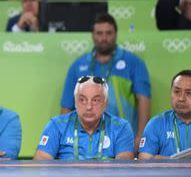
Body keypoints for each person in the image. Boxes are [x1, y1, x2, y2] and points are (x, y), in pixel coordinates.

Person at [60, 13, 151, 149]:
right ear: (92, 35)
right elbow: (67, 106)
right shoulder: (78, 65)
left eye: (108, 33)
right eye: (99, 33)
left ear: (115, 34)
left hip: (122, 140)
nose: (103, 38)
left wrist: (141, 137)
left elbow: (144, 100)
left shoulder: (134, 62)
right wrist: (64, 139)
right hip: (84, 142)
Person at [35, 76, 134, 160]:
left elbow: (124, 168)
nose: (89, 107)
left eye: (95, 100)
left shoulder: (121, 127)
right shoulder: (57, 125)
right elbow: (41, 164)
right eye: (82, 100)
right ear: (75, 102)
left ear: (105, 103)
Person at [139, 70, 191, 158]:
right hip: (166, 172)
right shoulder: (156, 123)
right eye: (177, 92)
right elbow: (144, 159)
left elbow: (154, 159)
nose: (181, 98)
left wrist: (163, 159)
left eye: (189, 93)